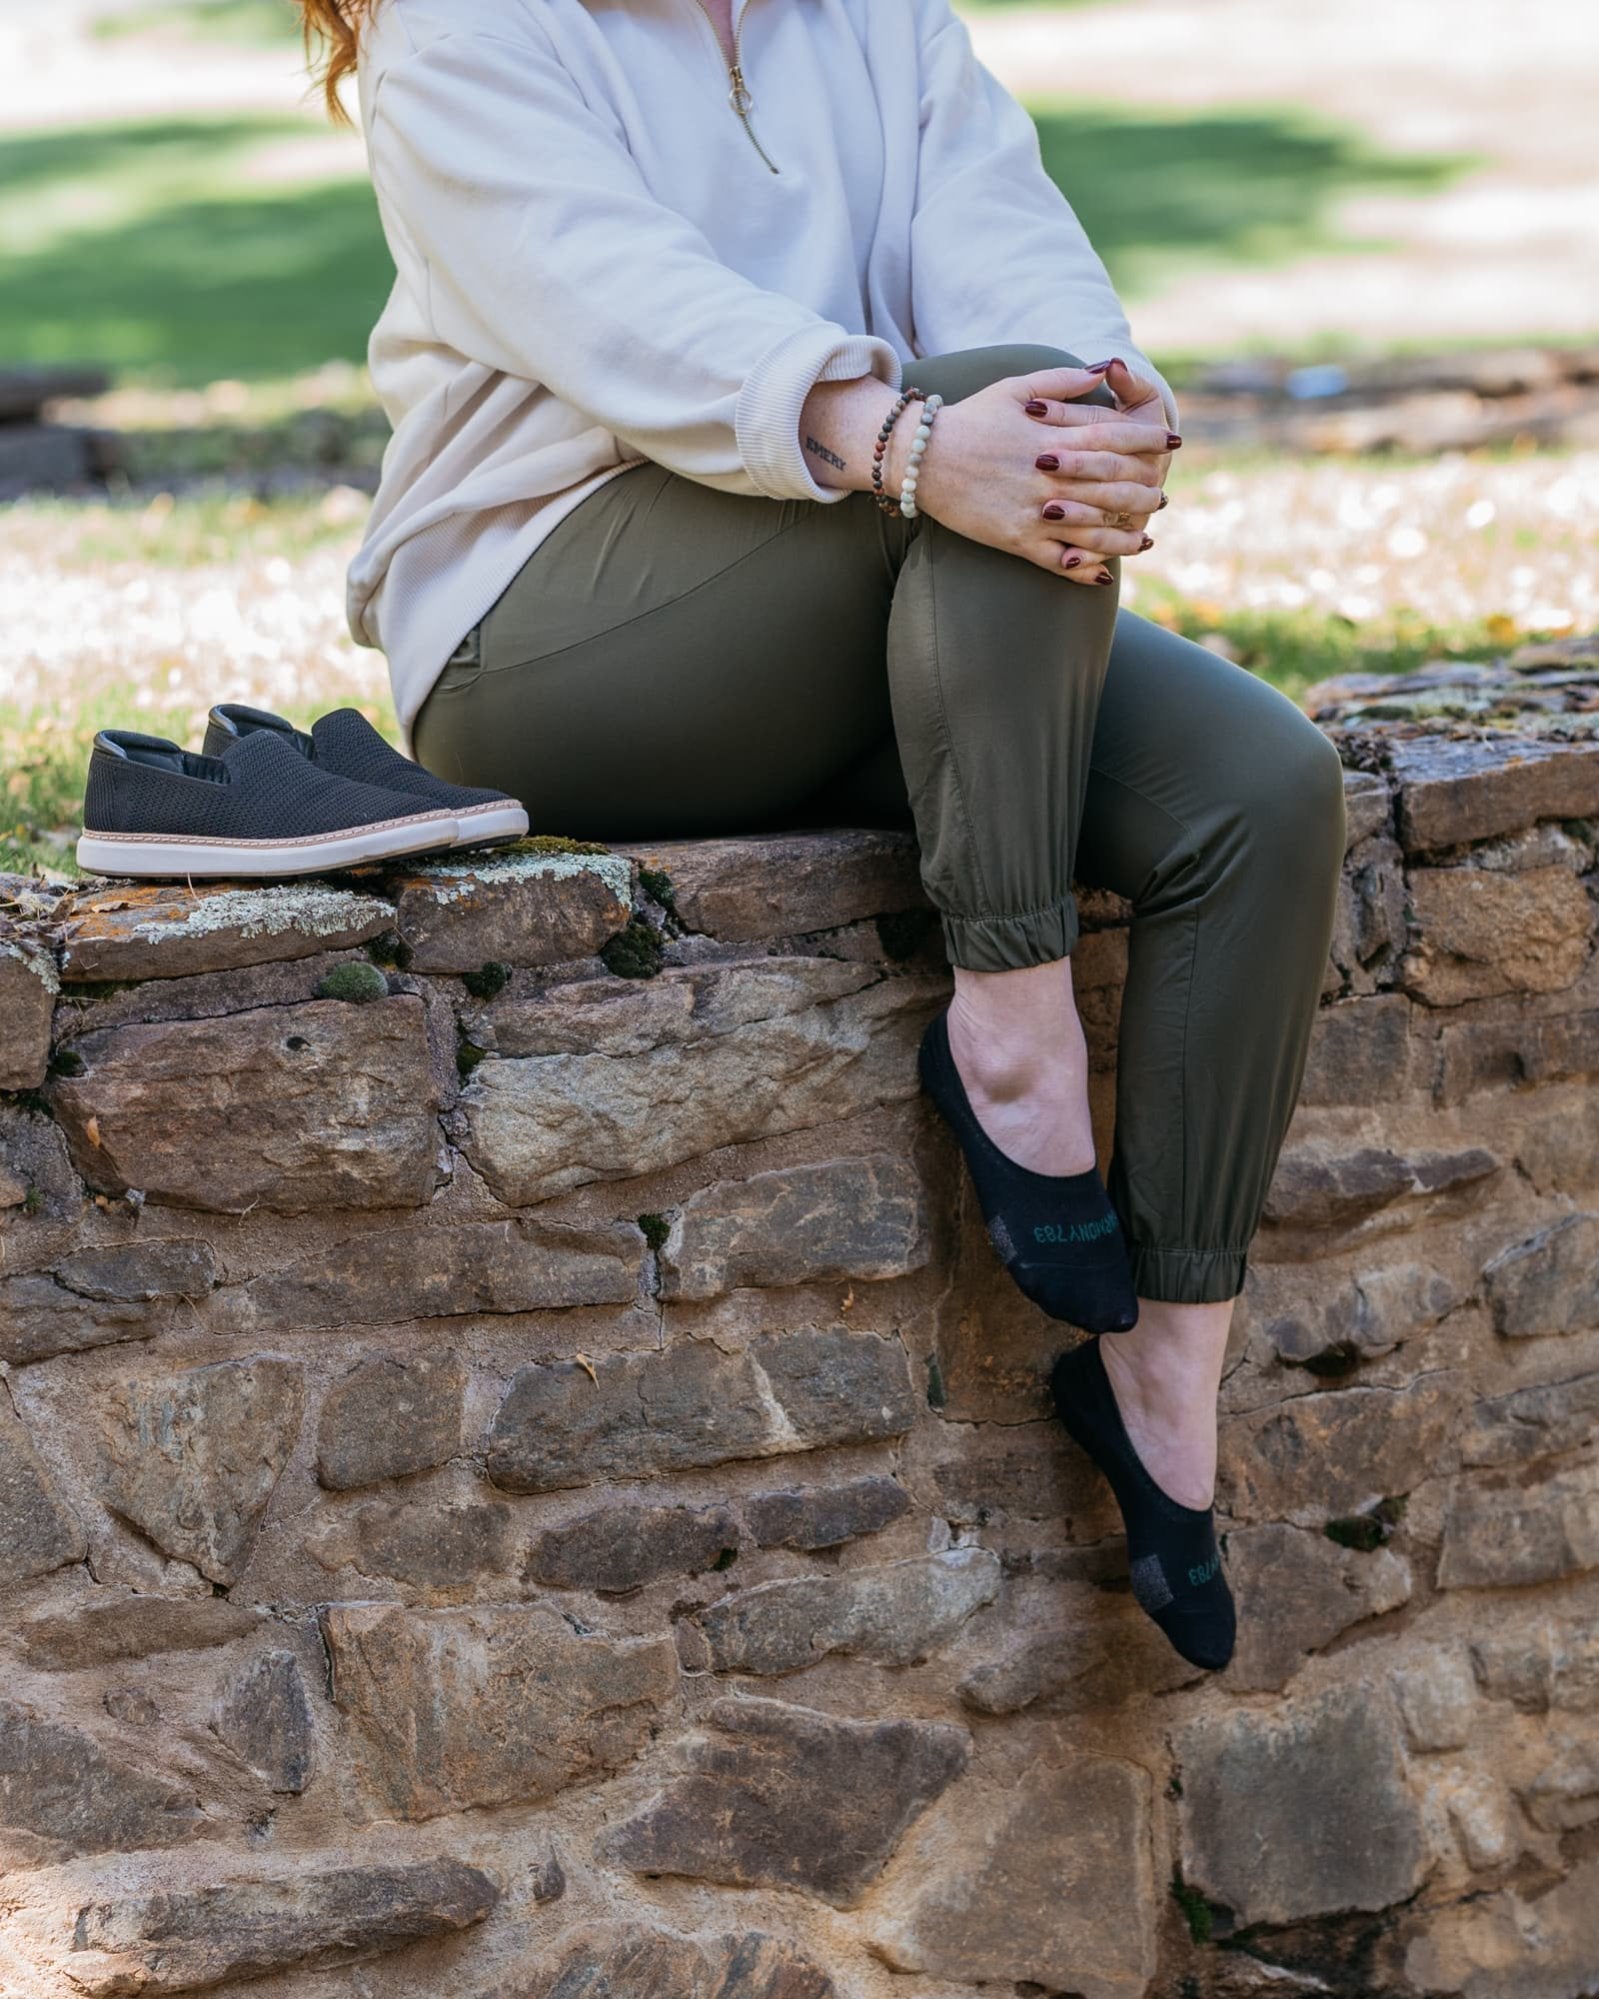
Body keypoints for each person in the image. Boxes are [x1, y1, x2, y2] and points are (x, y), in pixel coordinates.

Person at [294, 0, 1347, 1670]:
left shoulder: (870, 20)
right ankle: (1012, 1026)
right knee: (995, 423)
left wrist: (1100, 410)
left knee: (1263, 792)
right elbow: (629, 311)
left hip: (886, 586)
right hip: (557, 632)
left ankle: (1165, 1363)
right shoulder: (465, 29)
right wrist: (922, 441)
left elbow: (1013, 253)